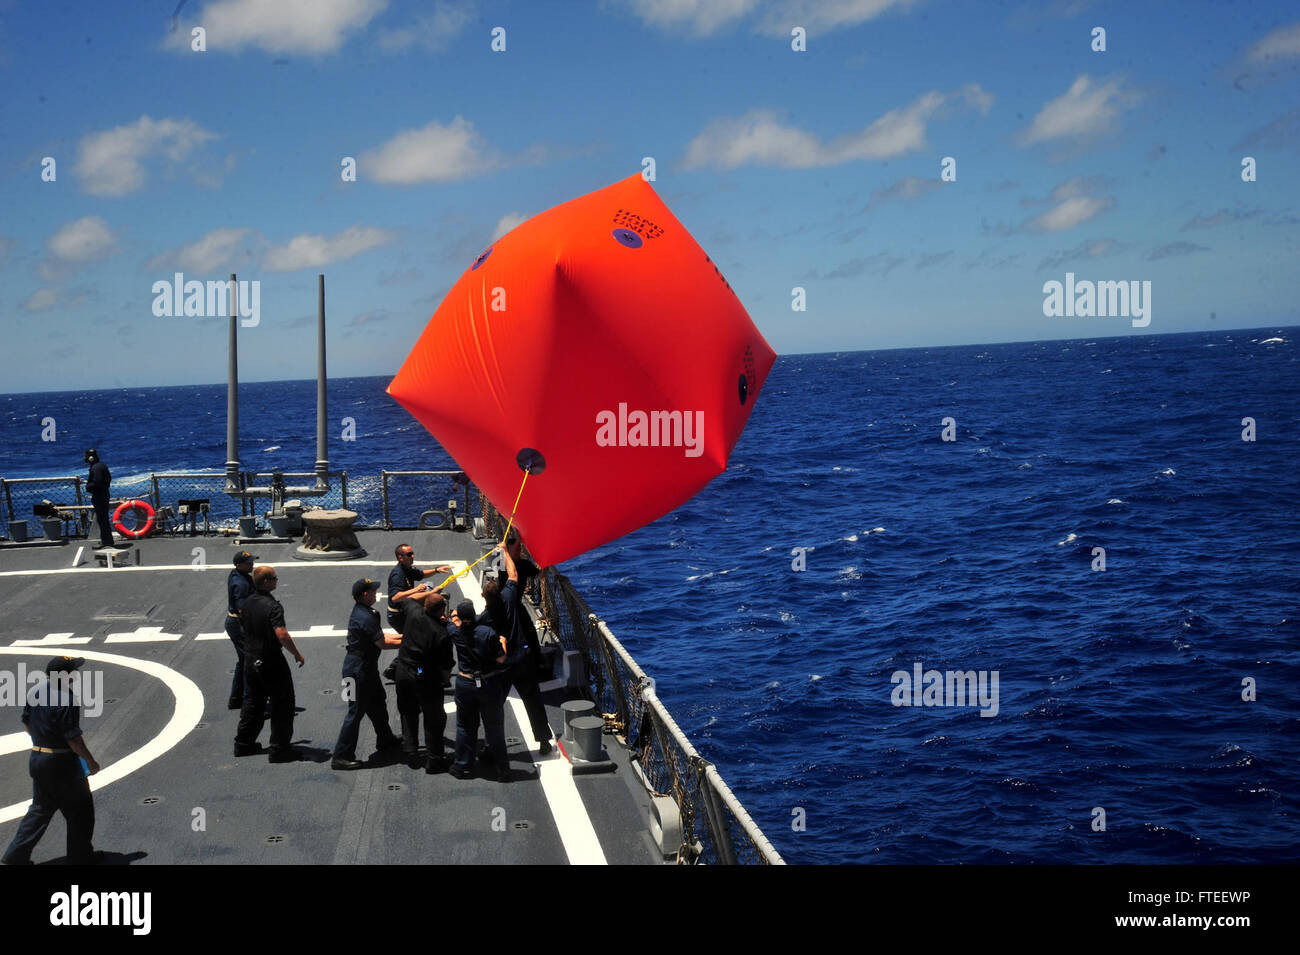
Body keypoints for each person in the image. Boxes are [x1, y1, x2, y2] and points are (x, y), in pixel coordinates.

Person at [2, 656, 100, 865]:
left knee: (40, 810)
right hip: (61, 762)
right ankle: (80, 857)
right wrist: (90, 761)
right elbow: (72, 738)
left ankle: (14, 857)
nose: (76, 673)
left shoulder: (35, 691)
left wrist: (43, 740)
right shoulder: (67, 699)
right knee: (81, 809)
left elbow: (26, 721)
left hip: (38, 757)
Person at [488, 533, 554, 754]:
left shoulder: (488, 615)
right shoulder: (508, 588)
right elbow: (510, 576)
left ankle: (491, 746)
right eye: (518, 547)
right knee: (532, 698)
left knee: (495, 702)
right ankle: (544, 739)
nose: (521, 549)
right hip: (520, 656)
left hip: (504, 661)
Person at [234, 566, 306, 763]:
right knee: (283, 704)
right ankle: (280, 750)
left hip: (251, 660)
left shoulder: (247, 603)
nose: (277, 580)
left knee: (253, 703)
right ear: (266, 582)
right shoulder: (273, 606)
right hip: (270, 661)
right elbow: (281, 634)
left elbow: (243, 626)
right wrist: (297, 654)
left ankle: (243, 744)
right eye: (274, 578)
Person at [331, 578, 403, 770]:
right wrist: (410, 642)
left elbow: (381, 636)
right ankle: (341, 756)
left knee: (378, 702)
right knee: (355, 713)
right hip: (356, 671)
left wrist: (405, 635)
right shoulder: (365, 617)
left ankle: (385, 738)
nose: (376, 593)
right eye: (373, 591)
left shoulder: (366, 613)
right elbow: (383, 643)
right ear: (365, 594)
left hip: (366, 669)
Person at [448, 599, 510, 781]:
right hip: (488, 684)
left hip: (465, 684)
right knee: (495, 728)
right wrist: (503, 642)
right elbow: (501, 659)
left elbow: (450, 624)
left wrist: (453, 618)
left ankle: (461, 766)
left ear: (459, 617)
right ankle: (503, 770)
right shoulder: (487, 633)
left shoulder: (455, 632)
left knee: (465, 726)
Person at [393, 591, 454, 773]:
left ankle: (411, 751)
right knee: (434, 719)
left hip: (404, 671)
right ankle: (434, 760)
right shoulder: (441, 633)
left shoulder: (414, 612)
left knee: (408, 712)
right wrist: (444, 681)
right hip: (425, 676)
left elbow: (408, 599)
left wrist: (432, 592)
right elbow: (446, 666)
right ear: (441, 610)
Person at [386, 544, 453, 633]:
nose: (413, 556)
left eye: (412, 553)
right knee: (412, 638)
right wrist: (417, 590)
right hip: (399, 616)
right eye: (409, 554)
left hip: (406, 607)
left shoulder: (407, 568)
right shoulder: (398, 575)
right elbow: (395, 598)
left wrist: (436, 570)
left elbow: (421, 574)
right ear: (400, 557)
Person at [224, 551, 257, 710]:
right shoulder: (242, 583)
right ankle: (248, 704)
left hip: (234, 623)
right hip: (239, 624)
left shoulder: (236, 574)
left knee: (243, 661)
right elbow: (242, 609)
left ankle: (235, 699)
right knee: (250, 664)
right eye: (248, 563)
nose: (252, 565)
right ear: (239, 565)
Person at [83, 449, 115, 549]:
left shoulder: (96, 468)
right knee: (103, 519)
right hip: (104, 494)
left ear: (90, 457)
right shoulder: (101, 465)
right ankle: (107, 540)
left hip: (99, 496)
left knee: (102, 520)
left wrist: (88, 487)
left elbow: (98, 482)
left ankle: (106, 542)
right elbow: (108, 478)